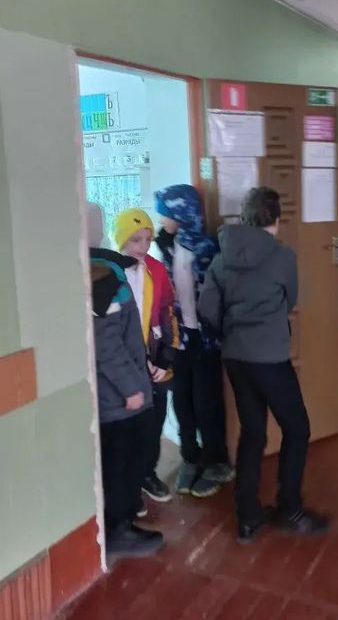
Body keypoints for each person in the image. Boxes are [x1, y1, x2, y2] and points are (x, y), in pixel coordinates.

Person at [199, 187, 329, 543]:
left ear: (244, 217)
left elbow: (207, 307)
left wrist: (232, 328)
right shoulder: (282, 257)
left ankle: (248, 517)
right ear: (276, 218)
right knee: (297, 428)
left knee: (253, 431)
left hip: (235, 356)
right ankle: (290, 509)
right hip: (270, 357)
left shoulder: (221, 258)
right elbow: (290, 299)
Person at [86, 203, 164, 557]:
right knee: (122, 460)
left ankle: (121, 523)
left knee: (124, 457)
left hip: (117, 385)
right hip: (116, 394)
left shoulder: (100, 266)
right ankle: (119, 530)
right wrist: (132, 387)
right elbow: (106, 344)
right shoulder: (102, 272)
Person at [154, 185, 234, 498]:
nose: (161, 221)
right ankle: (190, 455)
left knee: (206, 402)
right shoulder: (167, 246)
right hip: (179, 338)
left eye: (166, 214)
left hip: (205, 339)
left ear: (182, 213)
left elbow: (217, 294)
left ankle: (217, 460)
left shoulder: (206, 247)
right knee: (182, 399)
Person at [114, 208, 180, 508]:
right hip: (126, 365)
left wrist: (165, 358)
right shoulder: (109, 274)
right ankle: (127, 486)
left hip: (155, 362)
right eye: (135, 240)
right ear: (121, 240)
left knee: (154, 421)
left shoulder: (157, 271)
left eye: (147, 239)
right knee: (128, 427)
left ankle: (147, 473)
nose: (142, 246)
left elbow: (168, 314)